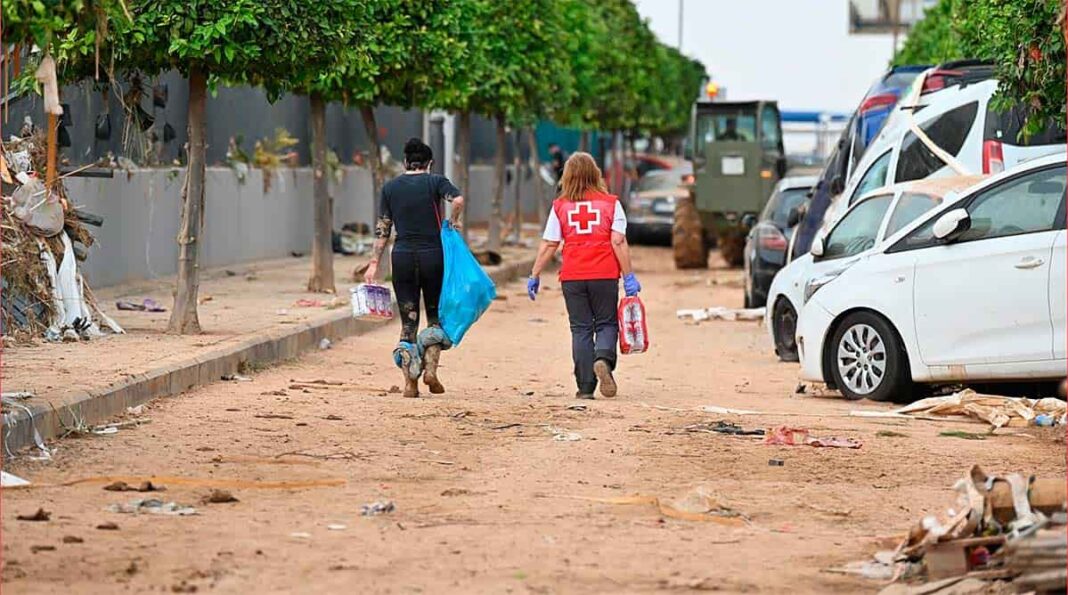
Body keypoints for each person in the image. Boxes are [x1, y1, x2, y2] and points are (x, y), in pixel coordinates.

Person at [527, 152, 641, 400]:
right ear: (595, 174)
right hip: (604, 274)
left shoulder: (560, 206)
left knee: (580, 328)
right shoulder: (612, 204)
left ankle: (585, 387)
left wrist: (535, 274)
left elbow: (549, 244)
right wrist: (629, 276)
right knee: (606, 323)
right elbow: (618, 241)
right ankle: (603, 359)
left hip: (573, 275)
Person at [365, 138, 465, 398]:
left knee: (408, 323)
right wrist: (453, 222)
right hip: (433, 257)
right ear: (429, 163)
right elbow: (458, 200)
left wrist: (374, 262)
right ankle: (431, 369)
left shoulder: (390, 188)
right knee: (434, 318)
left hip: (403, 258)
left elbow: (383, 229)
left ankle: (410, 382)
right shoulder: (435, 182)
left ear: (405, 163)